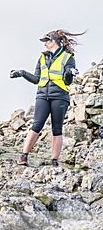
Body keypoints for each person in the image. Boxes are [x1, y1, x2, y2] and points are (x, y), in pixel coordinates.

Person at [10, 30, 84, 167]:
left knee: (57, 128)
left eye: (46, 41)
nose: (44, 45)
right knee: (36, 125)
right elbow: (36, 79)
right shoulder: (42, 58)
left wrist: (69, 74)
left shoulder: (68, 57)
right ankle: (24, 156)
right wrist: (22, 73)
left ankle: (54, 161)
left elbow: (68, 81)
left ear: (53, 41)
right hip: (42, 95)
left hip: (60, 96)